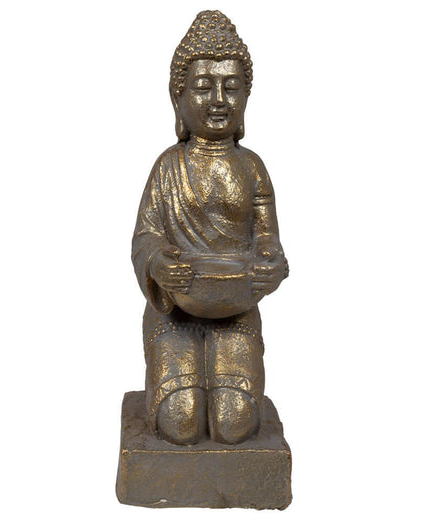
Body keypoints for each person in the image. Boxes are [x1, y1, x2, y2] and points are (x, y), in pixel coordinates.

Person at [132, 11, 288, 445]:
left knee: (234, 423)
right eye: (203, 87)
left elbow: (268, 241)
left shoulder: (252, 168)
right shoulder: (168, 167)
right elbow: (145, 237)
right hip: (176, 311)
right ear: (177, 98)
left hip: (236, 309)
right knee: (179, 422)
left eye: (231, 87)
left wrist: (271, 266)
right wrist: (159, 264)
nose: (219, 100)